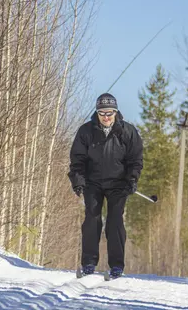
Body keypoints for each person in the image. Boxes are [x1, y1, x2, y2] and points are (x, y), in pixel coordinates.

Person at [68, 93, 143, 279]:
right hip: (93, 183)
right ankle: (89, 263)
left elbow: (136, 160)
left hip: (118, 184)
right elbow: (77, 160)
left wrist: (132, 179)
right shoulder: (86, 131)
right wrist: (78, 181)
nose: (106, 117)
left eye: (110, 113)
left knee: (115, 220)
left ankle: (116, 265)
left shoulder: (128, 131)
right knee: (92, 219)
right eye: (102, 113)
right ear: (97, 113)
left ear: (116, 112)